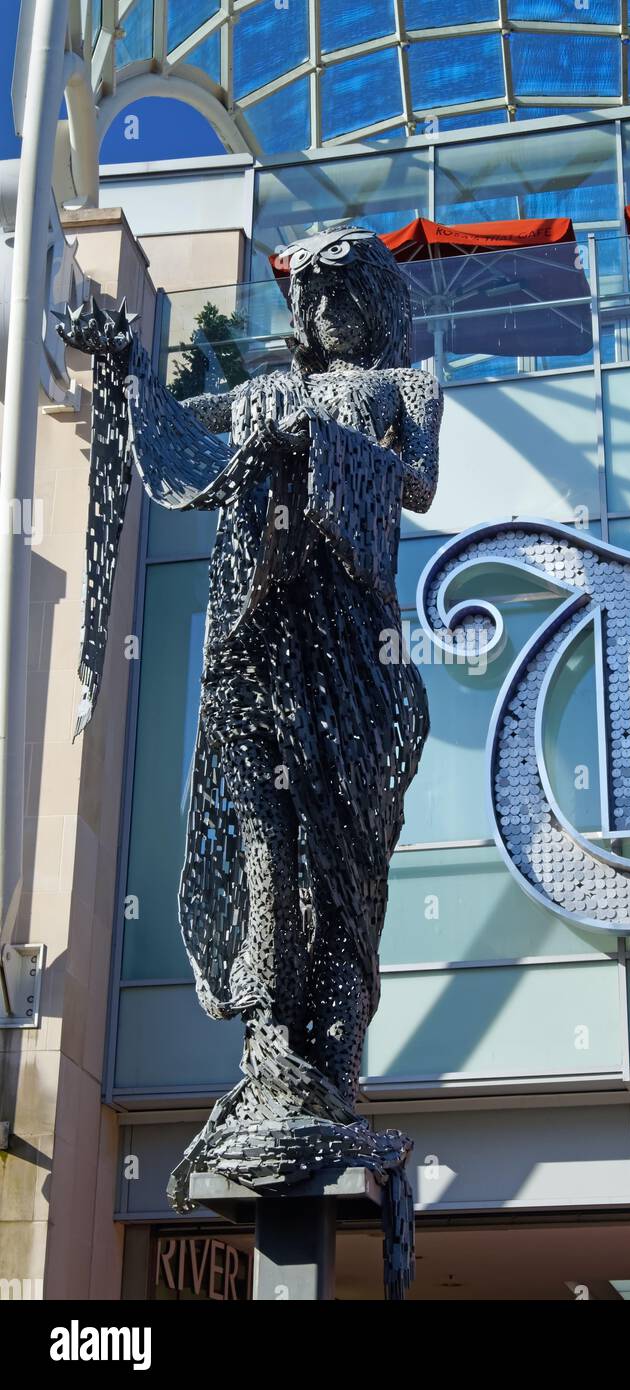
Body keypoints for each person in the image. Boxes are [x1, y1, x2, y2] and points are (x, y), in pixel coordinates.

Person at [58, 227, 442, 1297]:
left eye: (337, 295)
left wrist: (321, 454)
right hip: (265, 643)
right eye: (306, 299)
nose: (319, 318)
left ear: (370, 301)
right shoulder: (269, 390)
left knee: (343, 857)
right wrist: (127, 365)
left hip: (351, 658)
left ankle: (325, 1066)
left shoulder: (406, 382)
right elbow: (182, 434)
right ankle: (275, 1052)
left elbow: (411, 485)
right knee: (268, 831)